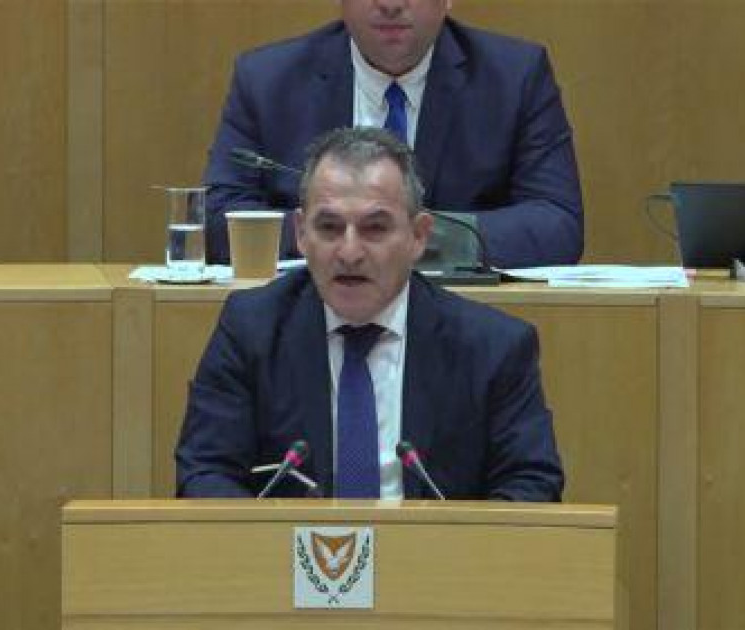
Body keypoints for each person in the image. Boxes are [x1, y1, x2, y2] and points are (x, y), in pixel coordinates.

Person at [177, 126, 563, 500]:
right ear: (301, 233)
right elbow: (204, 473)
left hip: (433, 546)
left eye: (374, 229)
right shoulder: (252, 330)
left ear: (419, 236)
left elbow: (531, 486)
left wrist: (449, 542)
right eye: (329, 227)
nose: (349, 253)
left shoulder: (492, 348)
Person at [202, 0, 583, 269]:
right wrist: (333, 235)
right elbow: (218, 220)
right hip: (311, 318)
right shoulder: (268, 80)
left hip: (463, 324)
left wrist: (417, 238)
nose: (390, 4)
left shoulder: (514, 77)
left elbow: (557, 225)